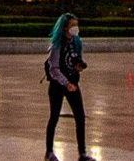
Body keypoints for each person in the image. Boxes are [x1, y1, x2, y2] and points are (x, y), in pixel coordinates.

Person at [44, 13, 94, 161]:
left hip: (73, 83)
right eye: (72, 25)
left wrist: (79, 66)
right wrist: (66, 83)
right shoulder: (57, 45)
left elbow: (75, 59)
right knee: (54, 117)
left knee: (80, 117)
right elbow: (54, 69)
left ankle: (82, 153)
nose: (75, 28)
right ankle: (49, 152)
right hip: (58, 85)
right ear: (65, 27)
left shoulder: (77, 41)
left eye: (76, 25)